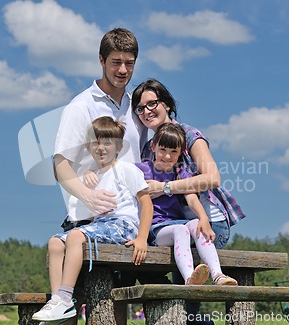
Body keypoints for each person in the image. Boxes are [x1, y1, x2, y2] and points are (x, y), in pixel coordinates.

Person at [51, 27, 146, 324]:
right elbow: (60, 164)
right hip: (87, 221)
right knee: (69, 306)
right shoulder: (82, 106)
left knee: (115, 306)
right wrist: (87, 194)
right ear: (101, 60)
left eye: (129, 63)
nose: (122, 70)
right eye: (116, 62)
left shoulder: (137, 108)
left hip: (127, 223)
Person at [132, 79, 246, 324]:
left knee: (180, 246)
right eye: (140, 108)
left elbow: (213, 178)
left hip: (208, 224)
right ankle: (193, 318)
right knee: (138, 265)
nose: (146, 111)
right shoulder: (148, 150)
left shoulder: (189, 135)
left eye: (152, 103)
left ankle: (194, 315)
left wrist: (164, 188)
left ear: (167, 105)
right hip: (173, 223)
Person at [32, 117, 153, 324]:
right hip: (100, 225)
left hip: (123, 225)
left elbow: (147, 203)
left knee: (76, 236)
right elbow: (88, 212)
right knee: (54, 242)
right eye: (95, 143)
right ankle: (57, 301)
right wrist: (86, 181)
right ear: (88, 147)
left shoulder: (127, 170)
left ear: (119, 147)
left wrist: (142, 238)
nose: (101, 148)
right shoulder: (93, 175)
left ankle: (65, 296)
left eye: (107, 143)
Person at [136, 123, 238, 286]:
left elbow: (191, 198)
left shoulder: (179, 174)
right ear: (153, 147)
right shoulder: (140, 171)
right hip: (155, 228)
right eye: (163, 150)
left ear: (180, 153)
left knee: (195, 225)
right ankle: (190, 277)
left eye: (173, 152)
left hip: (175, 223)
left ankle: (218, 275)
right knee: (181, 230)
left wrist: (203, 218)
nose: (167, 156)